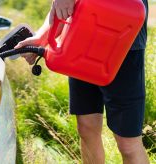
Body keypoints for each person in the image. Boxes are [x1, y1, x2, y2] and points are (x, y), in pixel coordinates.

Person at [15, 0, 150, 163]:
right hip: (82, 38)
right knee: (87, 128)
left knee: (128, 143)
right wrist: (40, 38)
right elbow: (64, 6)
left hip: (124, 42)